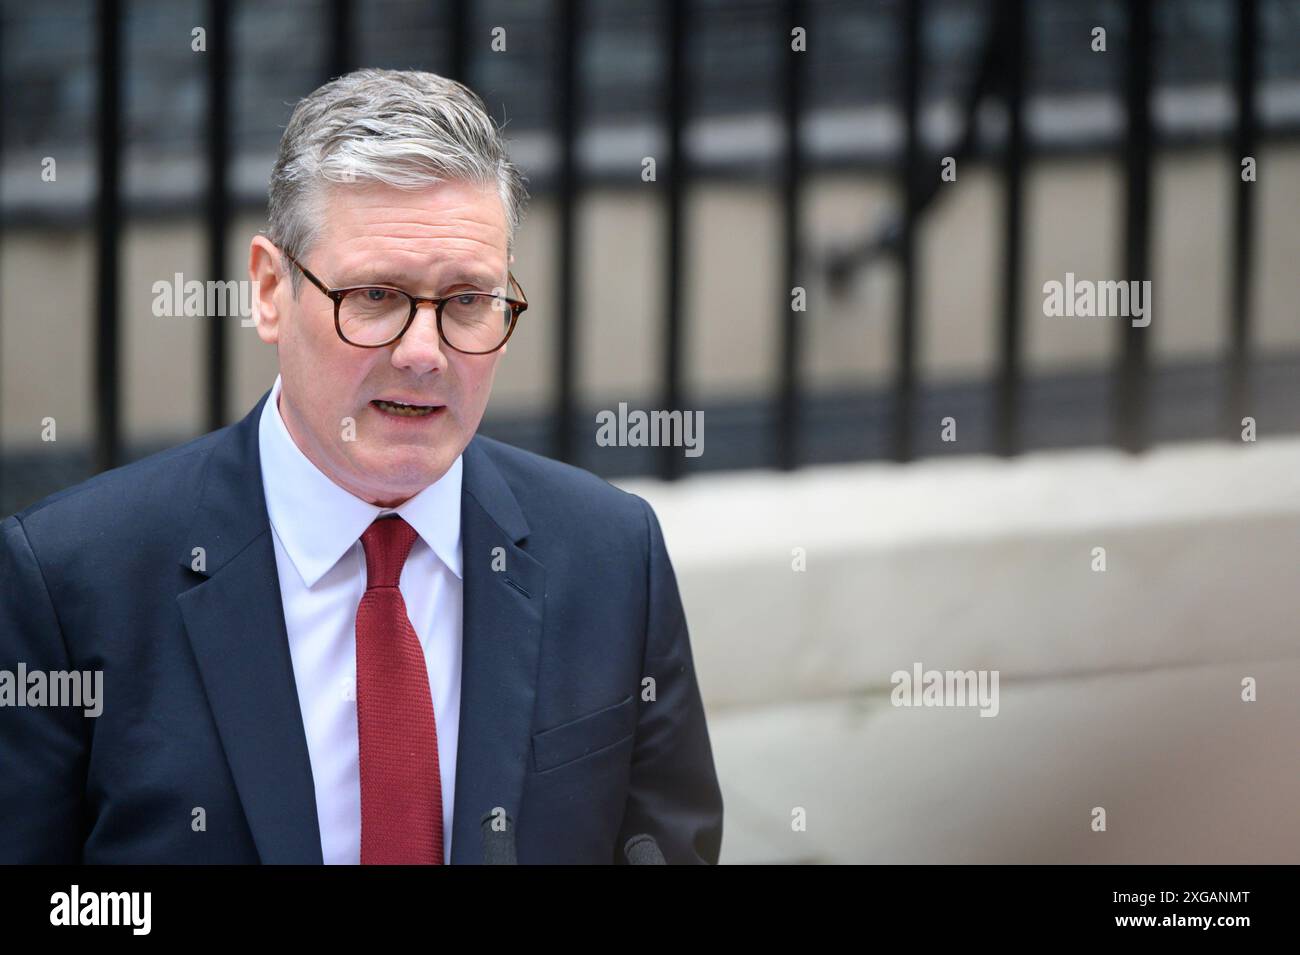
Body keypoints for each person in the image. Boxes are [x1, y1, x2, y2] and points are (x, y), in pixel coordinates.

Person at [0, 69, 722, 864]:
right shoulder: (70, 580)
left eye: (467, 300)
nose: (423, 353)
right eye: (376, 295)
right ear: (271, 291)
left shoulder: (614, 552)